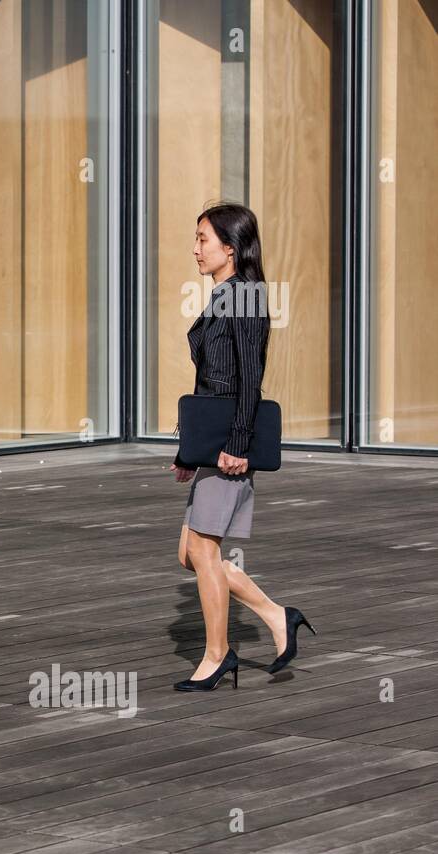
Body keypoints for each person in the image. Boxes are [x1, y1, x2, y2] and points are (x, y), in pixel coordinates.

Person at [170, 203, 316, 691]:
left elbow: (251, 377)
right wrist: (188, 449)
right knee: (189, 553)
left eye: (203, 240)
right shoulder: (224, 296)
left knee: (204, 550)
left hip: (231, 441)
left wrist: (235, 444)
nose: (195, 249)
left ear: (230, 247)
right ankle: (278, 616)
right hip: (211, 442)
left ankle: (217, 656)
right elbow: (208, 378)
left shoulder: (247, 296)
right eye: (195, 239)